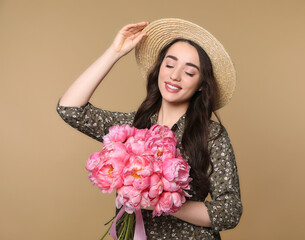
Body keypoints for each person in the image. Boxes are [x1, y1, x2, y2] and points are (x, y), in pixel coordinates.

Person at [56, 18, 243, 239]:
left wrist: (161, 201)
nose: (175, 76)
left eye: (190, 72)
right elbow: (70, 109)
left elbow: (229, 211)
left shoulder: (211, 135)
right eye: (170, 64)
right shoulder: (132, 129)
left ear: (202, 84)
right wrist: (115, 52)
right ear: (159, 68)